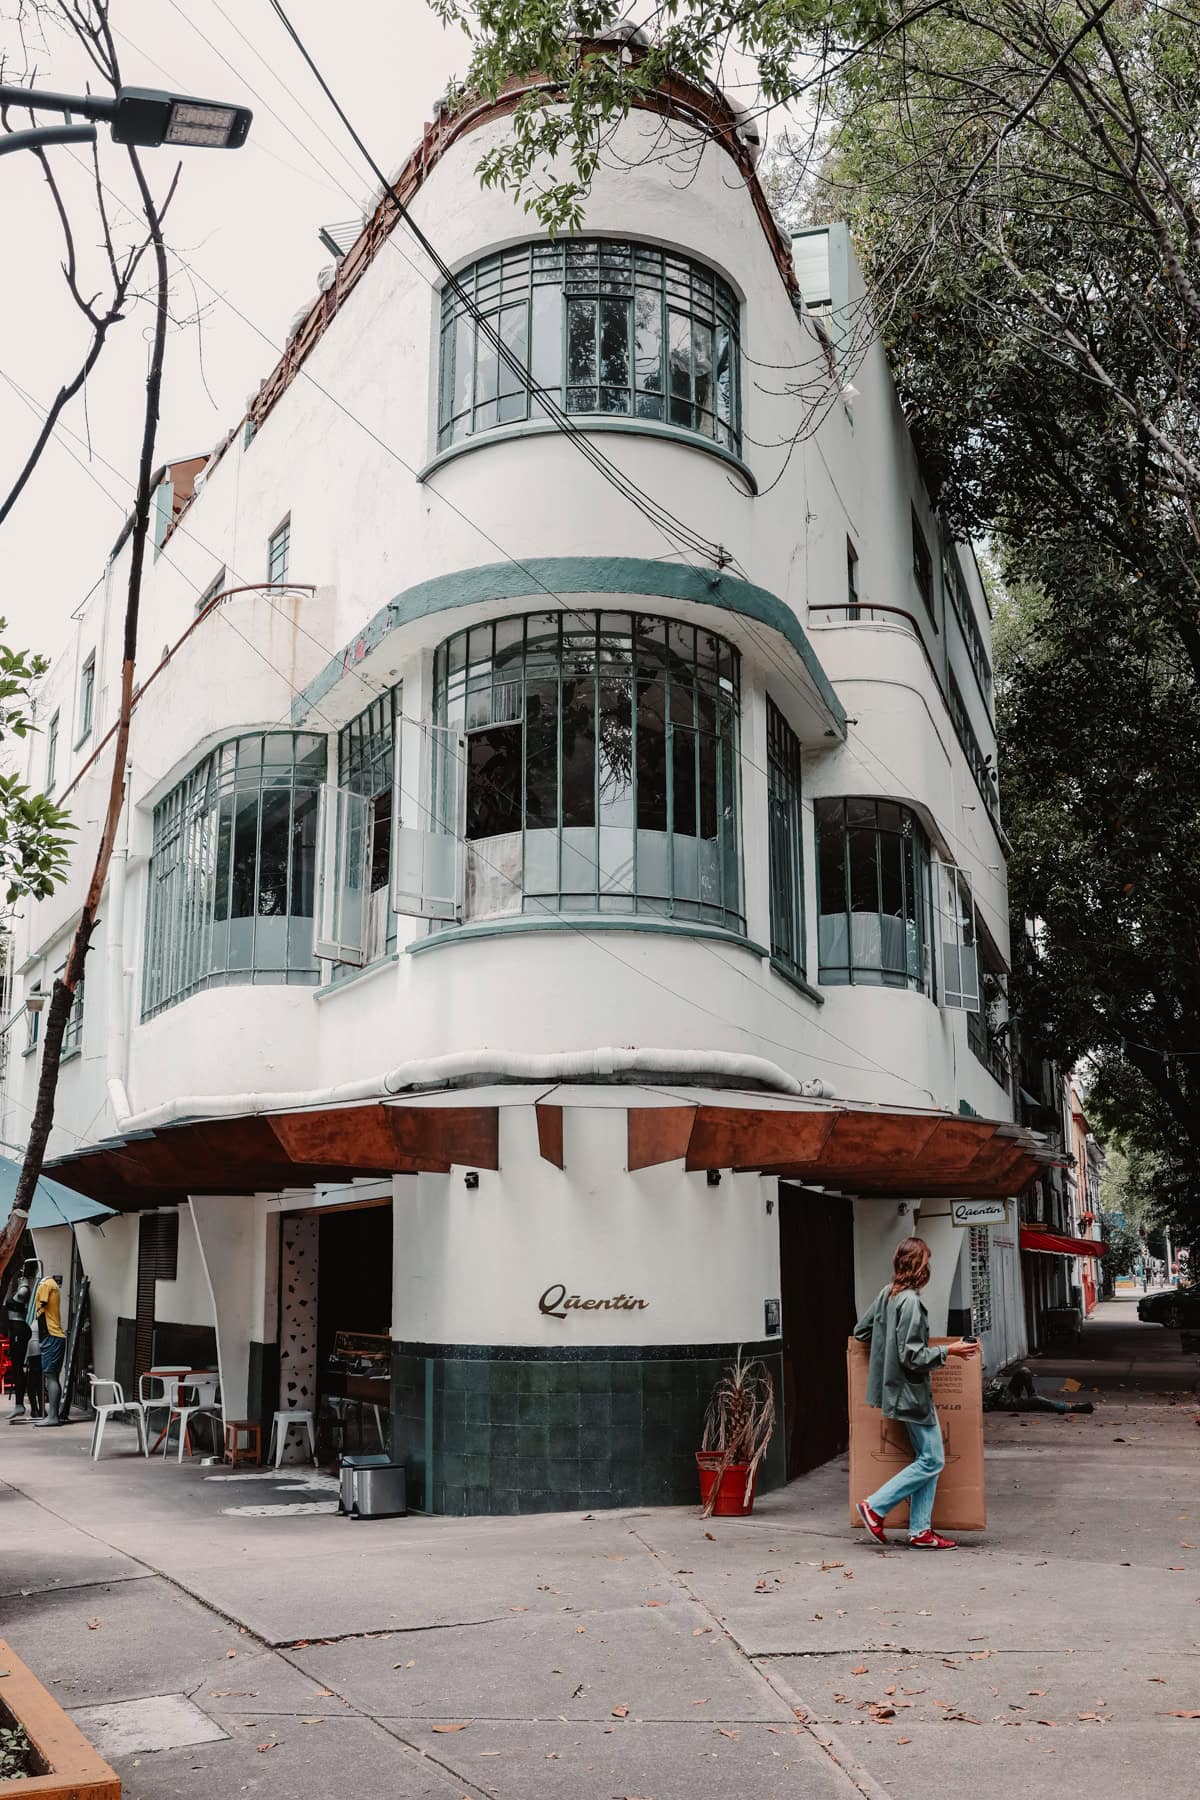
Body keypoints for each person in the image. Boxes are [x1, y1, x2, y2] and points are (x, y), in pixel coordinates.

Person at [853, 1235, 979, 1550]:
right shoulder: (908, 1301)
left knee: (927, 1458)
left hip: (895, 1391)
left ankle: (920, 1531)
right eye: (927, 1262)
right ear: (920, 1266)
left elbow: (862, 1331)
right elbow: (913, 1356)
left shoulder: (886, 1295)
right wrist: (949, 1350)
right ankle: (876, 1506)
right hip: (911, 1394)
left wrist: (886, 1348)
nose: (929, 1268)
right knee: (933, 1460)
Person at [4, 1259, 37, 1421]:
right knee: (17, 1366)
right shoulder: (15, 1288)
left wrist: (22, 1284)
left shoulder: (22, 1290)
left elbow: (23, 1293)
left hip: (19, 1329)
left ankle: (19, 1404)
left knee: (18, 1367)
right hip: (16, 1330)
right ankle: (18, 1404)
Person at [33, 1270, 67, 1427]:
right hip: (53, 1336)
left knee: (51, 1376)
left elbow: (42, 1306)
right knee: (52, 1376)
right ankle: (53, 1415)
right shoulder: (51, 1285)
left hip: (51, 1336)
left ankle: (53, 1416)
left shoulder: (46, 1285)